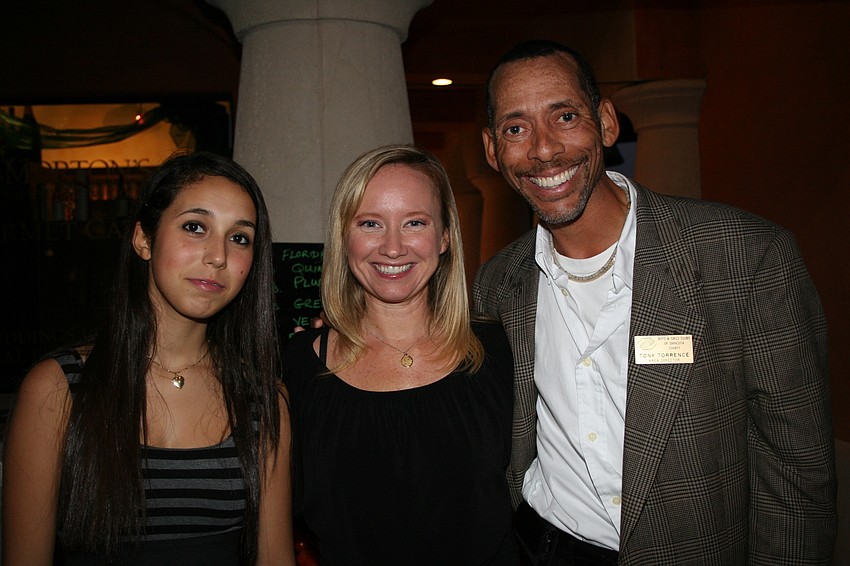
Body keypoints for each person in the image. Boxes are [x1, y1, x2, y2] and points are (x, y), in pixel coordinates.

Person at [473, 39, 837, 565]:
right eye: (515, 128)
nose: (544, 149)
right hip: (542, 546)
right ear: (492, 150)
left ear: (606, 122)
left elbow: (797, 473)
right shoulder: (498, 282)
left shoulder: (744, 257)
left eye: (565, 116)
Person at [2, 151, 295, 566]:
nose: (218, 255)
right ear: (143, 239)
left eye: (239, 237)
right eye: (195, 227)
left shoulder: (263, 399)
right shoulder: (58, 388)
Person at [284, 144, 518, 565]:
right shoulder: (296, 366)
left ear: (445, 236)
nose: (393, 248)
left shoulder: (502, 351)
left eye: (414, 222)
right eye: (371, 223)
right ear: (344, 237)